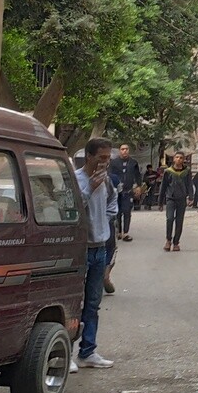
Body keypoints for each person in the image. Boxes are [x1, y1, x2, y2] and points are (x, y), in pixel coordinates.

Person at [72, 138, 116, 370]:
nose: (105, 162)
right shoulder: (76, 179)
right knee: (74, 302)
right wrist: (90, 188)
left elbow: (112, 202)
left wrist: (107, 222)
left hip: (100, 249)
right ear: (89, 157)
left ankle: (88, 351)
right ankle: (65, 353)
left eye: (108, 158)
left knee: (92, 303)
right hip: (81, 251)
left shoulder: (106, 180)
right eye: (102, 157)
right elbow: (73, 208)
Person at [108, 143, 144, 241]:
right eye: (122, 149)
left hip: (128, 191)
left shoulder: (133, 163)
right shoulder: (114, 163)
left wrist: (139, 186)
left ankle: (126, 233)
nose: (125, 151)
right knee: (118, 212)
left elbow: (138, 175)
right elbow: (110, 176)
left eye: (126, 149)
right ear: (120, 151)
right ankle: (119, 232)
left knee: (127, 211)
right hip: (116, 192)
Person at [161, 151, 192, 251]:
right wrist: (160, 202)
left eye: (181, 158)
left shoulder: (187, 171)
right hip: (170, 198)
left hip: (181, 199)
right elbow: (163, 186)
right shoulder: (168, 171)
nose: (179, 159)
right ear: (174, 159)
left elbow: (190, 185)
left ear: (184, 160)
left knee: (179, 221)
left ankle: (176, 242)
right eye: (177, 157)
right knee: (170, 219)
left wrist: (191, 197)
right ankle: (168, 240)